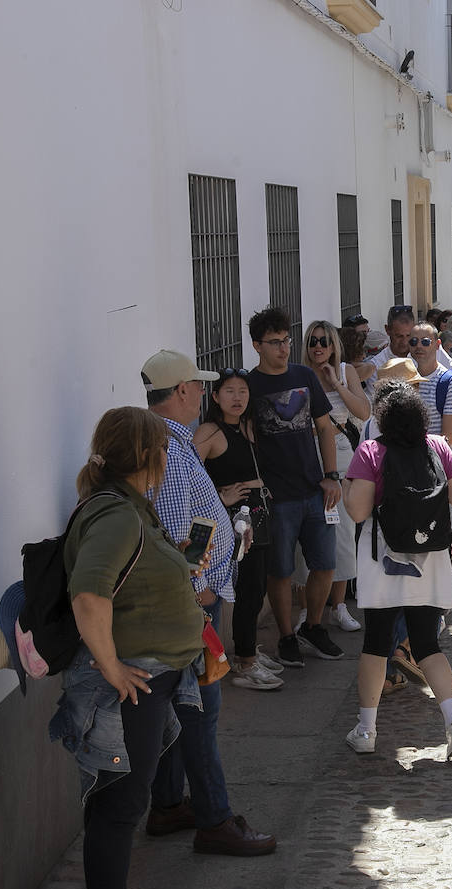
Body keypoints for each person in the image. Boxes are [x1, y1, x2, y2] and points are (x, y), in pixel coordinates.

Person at [52, 407, 209, 889]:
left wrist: (178, 559)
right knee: (120, 804)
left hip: (149, 676)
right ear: (146, 455)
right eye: (162, 447)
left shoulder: (130, 506)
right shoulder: (117, 514)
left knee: (117, 799)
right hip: (129, 681)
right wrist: (111, 667)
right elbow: (88, 594)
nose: (167, 456)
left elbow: (126, 575)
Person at [139, 350, 277, 857]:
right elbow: (181, 536)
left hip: (187, 599)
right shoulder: (172, 451)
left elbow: (188, 523)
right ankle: (215, 819)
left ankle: (168, 804)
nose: (203, 392)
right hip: (191, 604)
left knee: (182, 706)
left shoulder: (167, 443)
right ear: (181, 391)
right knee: (201, 707)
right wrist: (203, 589)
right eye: (198, 385)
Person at [341, 382, 452, 758]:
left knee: (376, 643)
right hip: (429, 558)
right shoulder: (437, 447)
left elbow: (358, 511)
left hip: (382, 559)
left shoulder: (371, 451)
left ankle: (366, 730)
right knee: (427, 644)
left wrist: (349, 487)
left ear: (382, 418)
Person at [246, 308, 346, 667]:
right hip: (276, 497)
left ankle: (313, 627)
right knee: (281, 572)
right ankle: (287, 636)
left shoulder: (304, 376)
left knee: (326, 564)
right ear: (257, 345)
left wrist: (331, 475)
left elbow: (324, 427)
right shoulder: (249, 385)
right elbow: (246, 440)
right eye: (275, 342)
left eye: (286, 340)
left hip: (315, 489)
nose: (284, 348)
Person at [192, 368, 284, 691]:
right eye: (229, 391)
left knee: (257, 589)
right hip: (232, 525)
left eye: (243, 391)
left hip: (259, 517)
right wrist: (221, 496)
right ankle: (245, 663)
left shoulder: (249, 426)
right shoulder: (209, 432)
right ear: (215, 396)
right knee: (246, 591)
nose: (237, 398)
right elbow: (189, 477)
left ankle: (249, 651)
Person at [297, 319, 370, 632]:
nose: (318, 347)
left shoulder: (345, 371)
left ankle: (339, 605)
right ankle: (307, 610)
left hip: (340, 458)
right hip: (306, 458)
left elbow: (363, 411)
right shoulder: (298, 374)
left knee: (342, 533)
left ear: (333, 345)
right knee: (306, 538)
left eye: (324, 341)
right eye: (313, 341)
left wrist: (336, 383)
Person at [409, 321, 452, 564]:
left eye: (425, 341)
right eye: (414, 341)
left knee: (436, 537)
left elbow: (447, 439)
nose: (419, 346)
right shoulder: (405, 378)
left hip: (436, 472)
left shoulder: (451, 382)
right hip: (408, 471)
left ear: (437, 344)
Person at [369, 304, 452, 373]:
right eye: (399, 336)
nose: (404, 342)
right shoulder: (377, 365)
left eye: (409, 336)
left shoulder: (432, 349)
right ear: (387, 330)